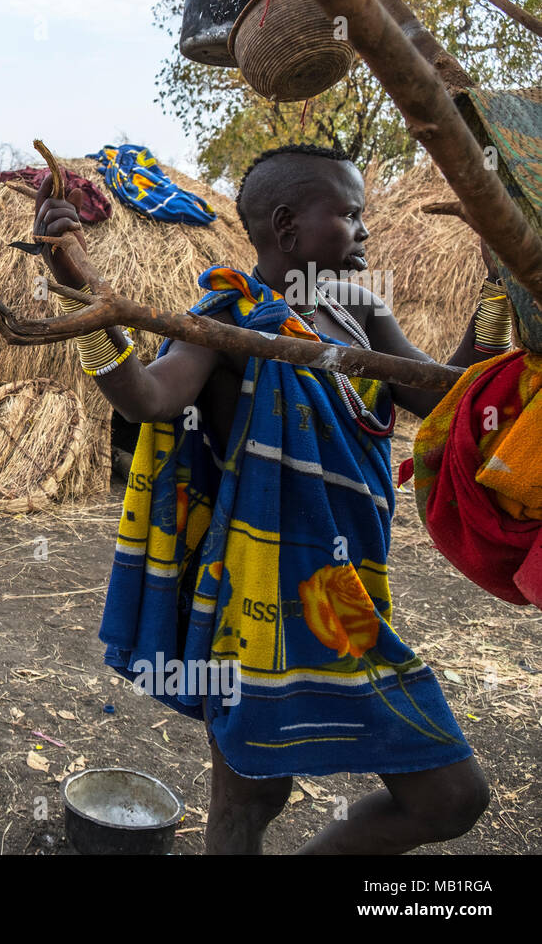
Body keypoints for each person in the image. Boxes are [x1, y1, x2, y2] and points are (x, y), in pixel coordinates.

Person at [34, 144, 498, 854]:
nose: (366, 231)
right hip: (256, 610)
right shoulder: (229, 321)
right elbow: (148, 399)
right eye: (349, 214)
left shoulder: (359, 314)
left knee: (450, 798)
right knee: (253, 805)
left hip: (348, 604)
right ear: (287, 227)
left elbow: (443, 393)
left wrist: (500, 294)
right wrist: (81, 296)